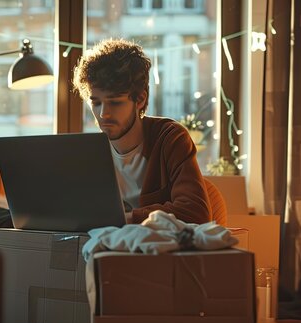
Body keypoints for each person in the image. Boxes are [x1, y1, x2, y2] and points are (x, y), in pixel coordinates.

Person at [72, 38, 212, 224]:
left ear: (140, 100)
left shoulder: (169, 138)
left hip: (155, 251)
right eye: (96, 103)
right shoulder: (90, 152)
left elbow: (195, 212)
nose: (103, 114)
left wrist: (126, 219)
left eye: (115, 102)